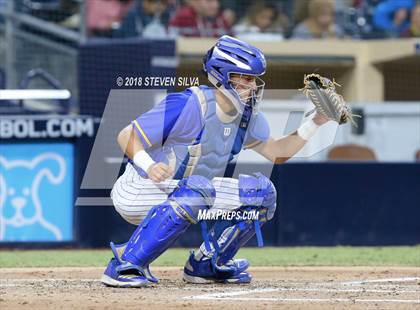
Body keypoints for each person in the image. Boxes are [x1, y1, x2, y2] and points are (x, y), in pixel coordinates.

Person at [101, 35, 329, 287]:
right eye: (245, 78)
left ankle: (206, 264)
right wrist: (150, 165)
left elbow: (278, 152)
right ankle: (126, 264)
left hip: (186, 191)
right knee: (198, 189)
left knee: (261, 195)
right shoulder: (189, 104)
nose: (253, 86)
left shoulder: (247, 117)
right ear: (222, 76)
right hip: (138, 188)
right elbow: (126, 135)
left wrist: (316, 121)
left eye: (253, 79)